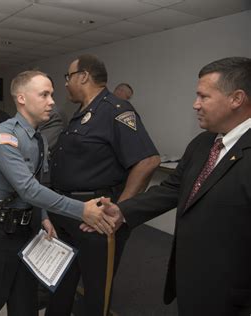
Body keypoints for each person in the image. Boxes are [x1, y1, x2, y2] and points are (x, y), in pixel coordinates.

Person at [0, 70, 116, 316]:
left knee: (25, 306)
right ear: (22, 98)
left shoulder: (38, 139)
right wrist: (82, 210)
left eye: (52, 94)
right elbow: (29, 189)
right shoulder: (3, 136)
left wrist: (44, 217)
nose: (51, 101)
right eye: (44, 94)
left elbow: (42, 184)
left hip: (27, 234)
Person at [96, 57, 251, 316]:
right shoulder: (203, 143)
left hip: (234, 293)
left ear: (236, 98)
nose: (195, 104)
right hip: (191, 279)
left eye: (203, 97)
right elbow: (172, 189)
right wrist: (122, 211)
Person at [45, 54, 160, 316]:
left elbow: (147, 161)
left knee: (97, 290)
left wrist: (119, 210)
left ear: (83, 76)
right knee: (62, 281)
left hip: (96, 217)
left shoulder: (116, 110)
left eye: (68, 77)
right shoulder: (81, 113)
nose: (66, 84)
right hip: (68, 211)